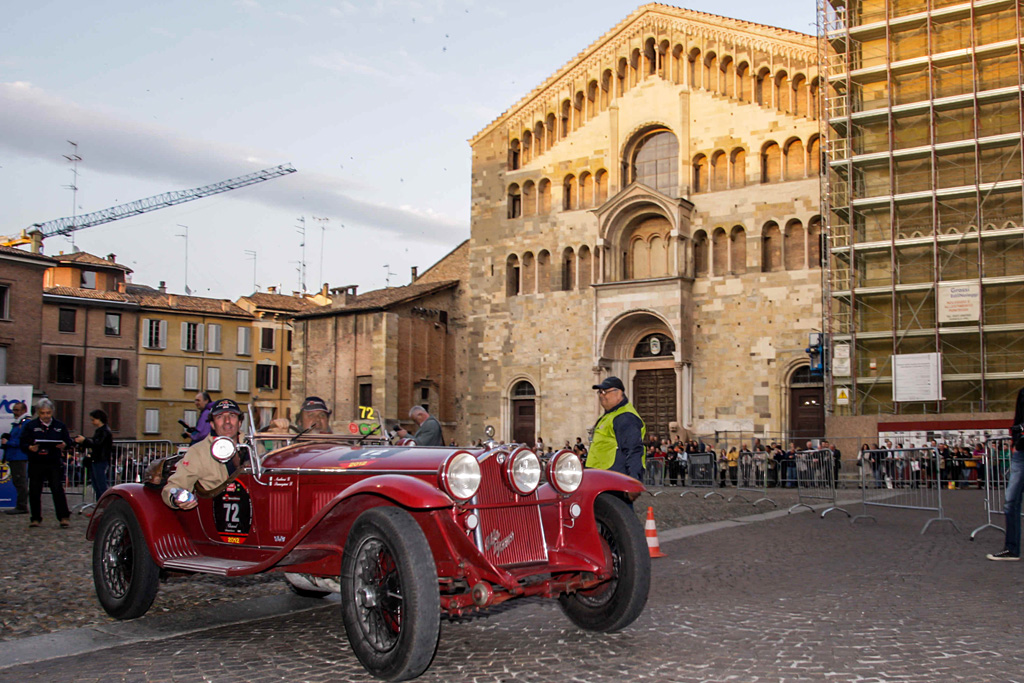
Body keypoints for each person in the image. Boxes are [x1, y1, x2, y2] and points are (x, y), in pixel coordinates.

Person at [162, 398, 245, 510]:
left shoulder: (255, 447)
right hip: (216, 513)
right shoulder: (198, 451)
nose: (227, 421)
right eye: (220, 417)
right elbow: (175, 486)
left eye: (232, 415)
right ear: (212, 424)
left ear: (239, 422)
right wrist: (176, 497)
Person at [20, 398, 74, 528]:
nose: (46, 416)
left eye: (48, 413)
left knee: (57, 488)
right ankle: (35, 518)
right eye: (43, 413)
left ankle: (63, 517)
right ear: (38, 412)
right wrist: (29, 448)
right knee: (34, 490)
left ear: (52, 412)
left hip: (53, 461)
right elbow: (22, 442)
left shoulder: (59, 426)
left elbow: (69, 441)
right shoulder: (31, 426)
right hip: (36, 461)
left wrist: (64, 445)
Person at [586, 377, 645, 492]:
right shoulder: (609, 415)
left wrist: (633, 482)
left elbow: (634, 449)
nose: (601, 396)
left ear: (619, 393)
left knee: (616, 509)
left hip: (614, 479)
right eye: (600, 392)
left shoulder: (625, 417)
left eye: (605, 392)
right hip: (600, 477)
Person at [987, 386, 1024, 560]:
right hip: (1022, 453)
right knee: (1011, 502)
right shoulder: (1023, 392)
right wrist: (1016, 442)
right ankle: (1012, 548)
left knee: (1012, 502)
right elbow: (1018, 420)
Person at [75, 409, 113, 499]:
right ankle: (100, 505)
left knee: (100, 485)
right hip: (97, 459)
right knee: (97, 484)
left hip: (100, 460)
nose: (92, 422)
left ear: (99, 419)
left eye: (93, 419)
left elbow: (97, 444)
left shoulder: (104, 431)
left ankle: (104, 505)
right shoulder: (102, 431)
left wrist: (84, 440)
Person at [1, 401, 30, 514]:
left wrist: (9, 442)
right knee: (17, 481)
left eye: (17, 410)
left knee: (20, 481)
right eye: (14, 410)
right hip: (14, 455)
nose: (15, 412)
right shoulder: (18, 423)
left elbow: (22, 440)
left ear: (23, 411)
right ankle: (20, 505)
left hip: (19, 455)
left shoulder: (25, 423)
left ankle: (22, 506)